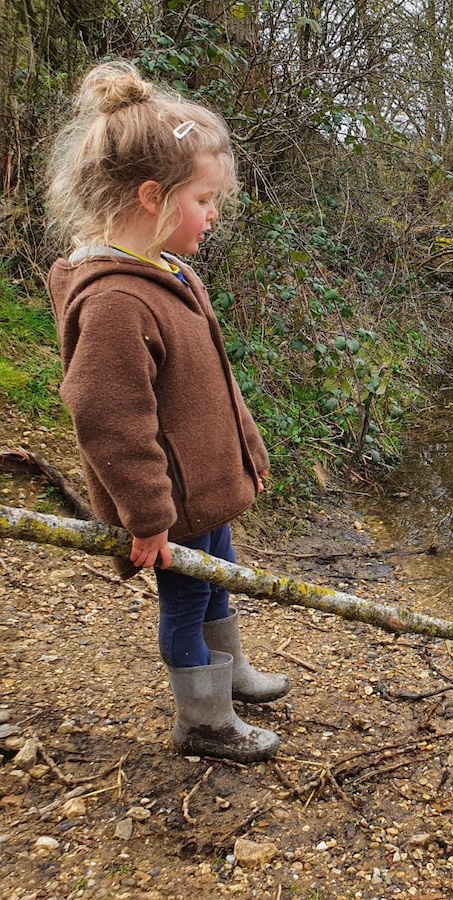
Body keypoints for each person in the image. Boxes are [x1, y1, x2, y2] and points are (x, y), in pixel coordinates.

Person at [44, 60, 288, 763]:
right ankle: (203, 721)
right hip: (169, 505)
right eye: (205, 200)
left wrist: (250, 455)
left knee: (220, 577)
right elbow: (107, 415)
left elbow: (215, 383)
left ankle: (228, 672)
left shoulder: (173, 274)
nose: (214, 216)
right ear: (153, 196)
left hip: (207, 489)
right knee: (185, 601)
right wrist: (146, 516)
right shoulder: (117, 299)